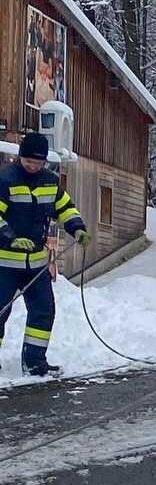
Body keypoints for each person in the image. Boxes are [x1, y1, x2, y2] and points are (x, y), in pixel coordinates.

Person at [0, 132, 89, 376]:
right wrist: (10, 238)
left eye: (38, 163)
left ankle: (34, 362)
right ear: (20, 157)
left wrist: (78, 228)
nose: (33, 166)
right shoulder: (5, 178)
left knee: (43, 311)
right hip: (4, 263)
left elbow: (65, 208)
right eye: (29, 161)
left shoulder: (49, 181)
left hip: (36, 265)